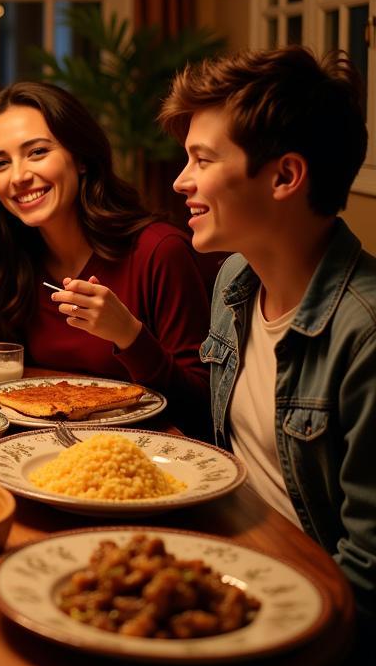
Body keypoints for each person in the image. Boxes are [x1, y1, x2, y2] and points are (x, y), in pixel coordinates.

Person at [160, 46, 376, 620]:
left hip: (305, 617)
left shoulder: (365, 335)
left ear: (284, 176)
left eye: (202, 161)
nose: (182, 181)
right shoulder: (234, 280)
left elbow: (367, 574)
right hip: (227, 555)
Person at [0, 82, 210, 434]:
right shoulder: (5, 258)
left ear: (81, 158)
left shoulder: (159, 251)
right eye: (0, 163)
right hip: (27, 451)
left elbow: (202, 409)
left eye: (37, 152)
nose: (18, 176)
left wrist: (130, 336)